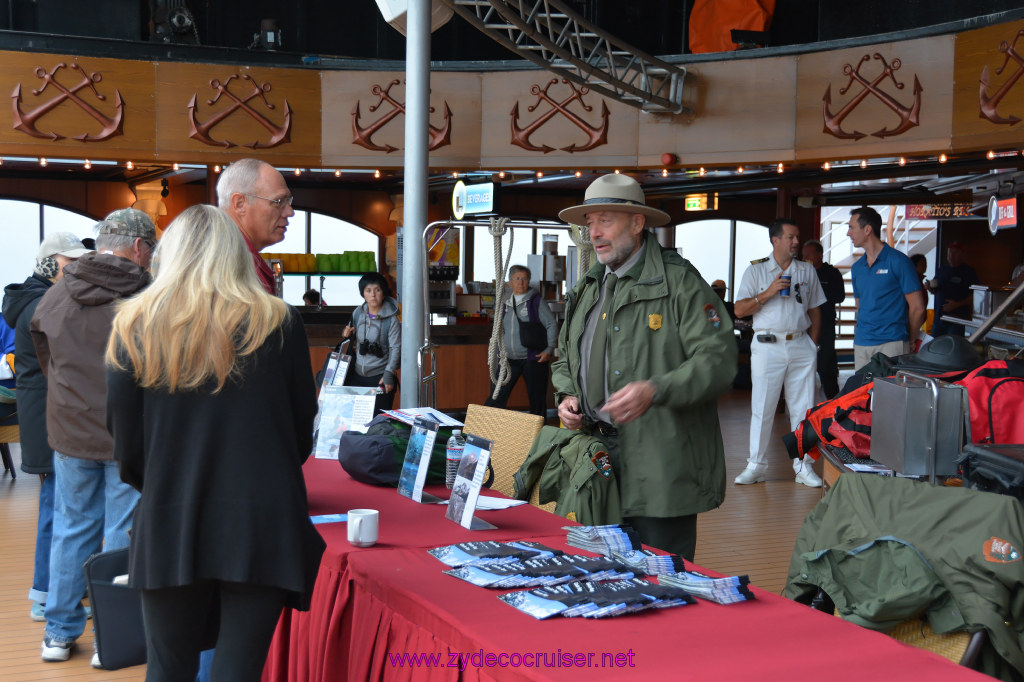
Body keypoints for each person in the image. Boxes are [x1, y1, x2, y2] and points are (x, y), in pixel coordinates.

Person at [105, 205, 324, 681]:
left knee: (167, 669)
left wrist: (169, 483)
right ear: (236, 256)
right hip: (260, 520)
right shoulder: (278, 323)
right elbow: (300, 433)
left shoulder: (133, 325)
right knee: (238, 671)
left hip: (170, 517)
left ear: (170, 255)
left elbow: (127, 446)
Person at [551, 174, 737, 561]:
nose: (594, 232)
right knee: (599, 577)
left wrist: (656, 389)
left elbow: (718, 359)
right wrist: (569, 392)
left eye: (605, 220)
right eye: (589, 222)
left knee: (664, 580)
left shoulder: (680, 282)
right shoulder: (589, 285)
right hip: (596, 461)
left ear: (637, 223)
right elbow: (567, 354)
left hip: (662, 464)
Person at [30, 210, 154, 663]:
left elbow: (43, 347)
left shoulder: (59, 291)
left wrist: (69, 396)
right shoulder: (147, 295)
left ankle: (59, 634)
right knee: (123, 531)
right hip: (129, 431)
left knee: (71, 528)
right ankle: (112, 636)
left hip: (70, 430)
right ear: (139, 247)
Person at [2, 233, 91, 624]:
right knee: (59, 508)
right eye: (71, 262)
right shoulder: (43, 303)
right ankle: (47, 593)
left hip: (46, 417)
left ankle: (61, 586)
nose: (77, 268)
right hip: (53, 419)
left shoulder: (32, 299)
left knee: (61, 507)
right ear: (49, 263)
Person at [733, 220, 825, 487]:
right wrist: (768, 293)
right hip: (766, 345)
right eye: (790, 237)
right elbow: (739, 310)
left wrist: (813, 345)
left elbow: (816, 310)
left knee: (803, 409)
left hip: (800, 345)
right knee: (762, 407)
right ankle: (756, 465)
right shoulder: (756, 271)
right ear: (775, 240)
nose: (796, 242)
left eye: (797, 237)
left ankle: (803, 466)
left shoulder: (806, 271)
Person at [847, 207, 926, 370]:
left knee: (890, 395)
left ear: (868, 229)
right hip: (862, 343)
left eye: (851, 227)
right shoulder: (857, 268)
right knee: (862, 395)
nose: (848, 233)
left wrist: (910, 339)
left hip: (892, 343)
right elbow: (859, 306)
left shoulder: (899, 261)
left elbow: (917, 307)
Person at [484, 265, 558, 417]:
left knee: (537, 401)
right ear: (510, 282)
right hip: (508, 359)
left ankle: (538, 436)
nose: (521, 282)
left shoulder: (535, 301)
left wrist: (548, 349)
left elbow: (551, 323)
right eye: (517, 279)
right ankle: (488, 429)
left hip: (533, 358)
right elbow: (499, 329)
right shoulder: (504, 302)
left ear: (529, 281)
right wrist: (499, 353)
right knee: (496, 396)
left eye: (524, 279)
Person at [217, 158, 296, 295]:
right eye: (278, 202)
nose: (290, 212)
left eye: (288, 201)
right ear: (240, 204)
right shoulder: (230, 267)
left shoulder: (223, 254)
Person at [343, 272, 400, 414]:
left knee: (378, 422)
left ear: (383, 292)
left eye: (377, 290)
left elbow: (395, 347)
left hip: (379, 377)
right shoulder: (358, 313)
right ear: (363, 293)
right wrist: (347, 334)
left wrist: (388, 374)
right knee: (354, 419)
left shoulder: (391, 319)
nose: (373, 295)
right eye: (368, 291)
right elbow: (350, 335)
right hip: (357, 376)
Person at [802, 239, 847, 400]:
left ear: (819, 254)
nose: (805, 257)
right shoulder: (802, 273)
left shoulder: (831, 273)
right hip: (804, 327)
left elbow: (840, 296)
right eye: (804, 254)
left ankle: (833, 401)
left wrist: (818, 296)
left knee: (826, 365)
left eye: (809, 254)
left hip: (825, 327)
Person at [927, 242, 979, 337]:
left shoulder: (968, 272)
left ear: (962, 254)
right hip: (939, 320)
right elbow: (936, 291)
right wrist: (929, 288)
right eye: (950, 253)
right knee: (936, 348)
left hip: (956, 321)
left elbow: (976, 296)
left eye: (955, 253)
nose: (951, 256)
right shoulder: (942, 270)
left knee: (952, 348)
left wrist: (957, 304)